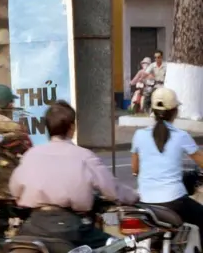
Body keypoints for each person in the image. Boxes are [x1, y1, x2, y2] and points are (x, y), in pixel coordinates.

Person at [10, 100, 138, 251]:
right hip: (70, 229)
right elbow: (111, 189)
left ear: (47, 129)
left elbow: (14, 189)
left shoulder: (31, 155)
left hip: (33, 226)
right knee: (119, 245)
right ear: (72, 128)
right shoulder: (84, 156)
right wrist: (134, 197)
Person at [131, 87, 203, 243]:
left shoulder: (139, 135)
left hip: (144, 203)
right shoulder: (181, 136)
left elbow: (135, 169)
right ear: (175, 111)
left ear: (152, 110)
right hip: (174, 202)